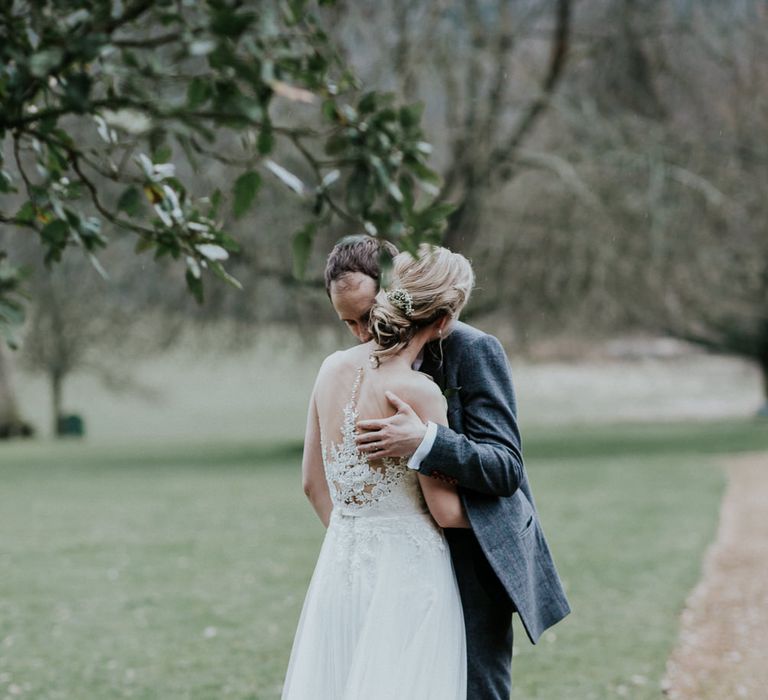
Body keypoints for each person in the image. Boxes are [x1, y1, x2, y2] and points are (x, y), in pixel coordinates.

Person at [323, 236, 571, 700]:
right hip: (397, 568)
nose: (361, 333)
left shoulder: (472, 349)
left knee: (476, 690)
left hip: (473, 559)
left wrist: (428, 441)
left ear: (399, 293)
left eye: (367, 314)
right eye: (348, 322)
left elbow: (505, 467)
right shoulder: (352, 370)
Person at [282, 245, 475, 700]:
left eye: (362, 317)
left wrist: (357, 542)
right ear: (443, 320)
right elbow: (446, 513)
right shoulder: (420, 393)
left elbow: (312, 484)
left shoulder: (329, 370)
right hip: (410, 575)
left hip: (340, 568)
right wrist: (510, 514)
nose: (359, 331)